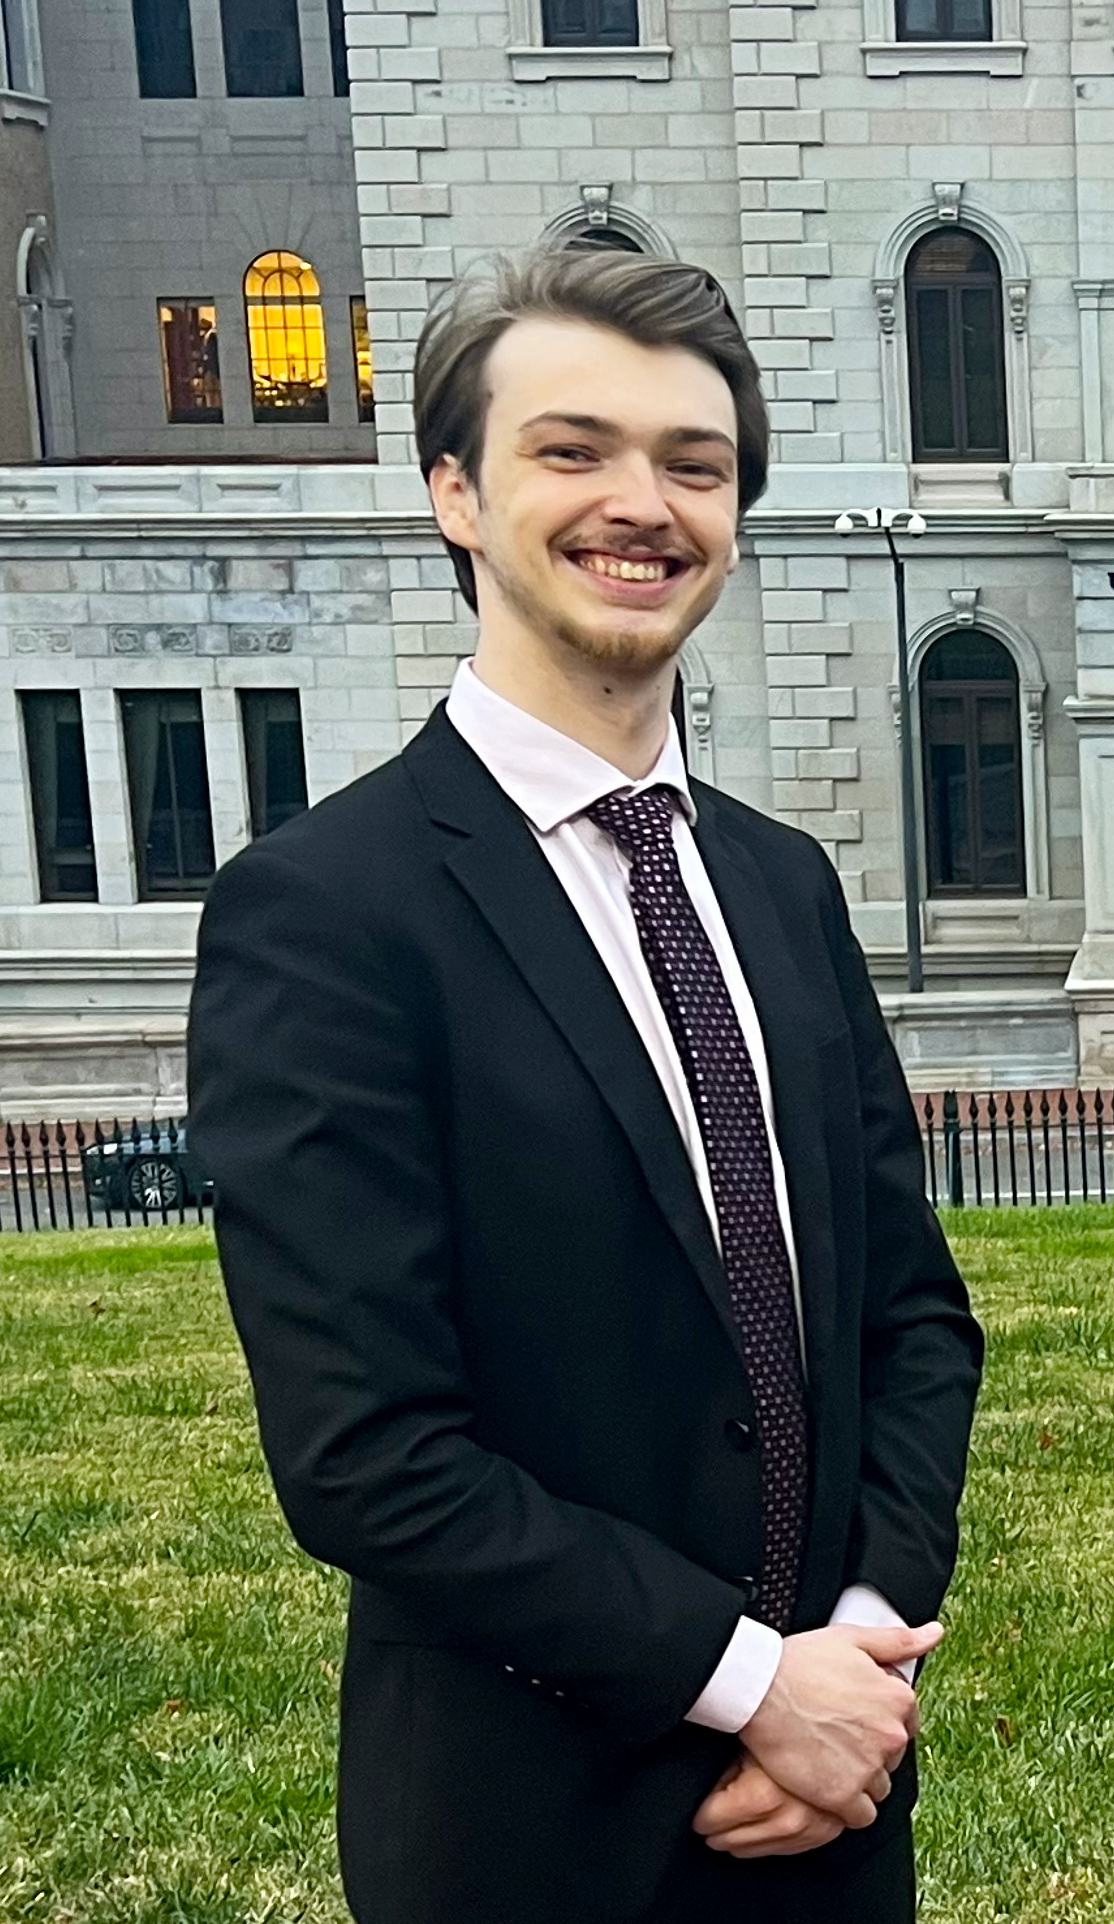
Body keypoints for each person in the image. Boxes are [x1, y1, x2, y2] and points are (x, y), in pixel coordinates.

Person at [187, 246, 984, 1924]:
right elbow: (367, 1452)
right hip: (532, 1831)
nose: (645, 504)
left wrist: (854, 1645)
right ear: (457, 493)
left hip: (835, 1810)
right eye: (575, 451)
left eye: (695, 465)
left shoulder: (779, 884)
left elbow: (913, 1320)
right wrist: (744, 1681)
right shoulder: (325, 912)